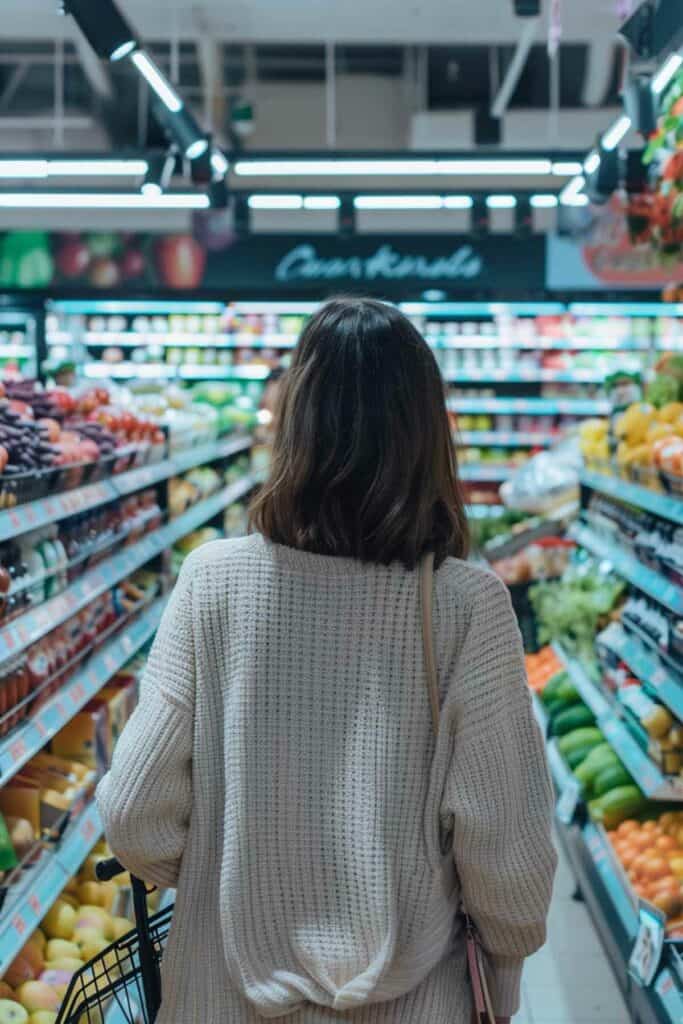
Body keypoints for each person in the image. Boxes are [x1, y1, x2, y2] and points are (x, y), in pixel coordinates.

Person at [97, 297, 557, 1024]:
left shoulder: (211, 580)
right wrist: (503, 967)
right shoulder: (467, 605)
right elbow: (510, 857)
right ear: (426, 431)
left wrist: (240, 881)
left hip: (223, 997)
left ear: (294, 423)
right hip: (412, 1000)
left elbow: (135, 816)